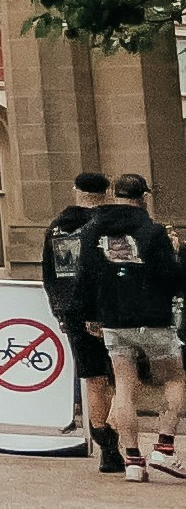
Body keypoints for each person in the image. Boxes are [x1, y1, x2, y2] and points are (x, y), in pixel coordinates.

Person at [86, 175, 180, 480]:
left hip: (114, 318)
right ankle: (164, 447)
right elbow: (172, 277)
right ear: (143, 197)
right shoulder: (153, 231)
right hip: (153, 318)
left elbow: (85, 275)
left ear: (114, 194)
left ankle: (133, 461)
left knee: (124, 387)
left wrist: (89, 314)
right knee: (174, 377)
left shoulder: (94, 230)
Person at [44, 169, 119, 471]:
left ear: (76, 191)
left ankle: (108, 449)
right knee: (122, 377)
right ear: (106, 194)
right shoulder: (108, 225)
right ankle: (122, 442)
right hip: (110, 308)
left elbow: (49, 273)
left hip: (72, 308)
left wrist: (59, 309)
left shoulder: (57, 227)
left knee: (93, 378)